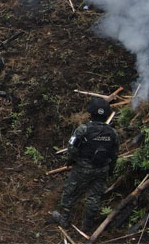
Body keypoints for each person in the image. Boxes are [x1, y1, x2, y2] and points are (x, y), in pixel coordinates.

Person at [52, 98, 118, 231]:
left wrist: (71, 161)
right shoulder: (112, 133)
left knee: (70, 191)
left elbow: (72, 148)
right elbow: (114, 154)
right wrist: (110, 170)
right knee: (95, 195)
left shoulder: (83, 129)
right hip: (102, 169)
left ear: (91, 113)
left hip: (83, 167)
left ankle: (64, 219)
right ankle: (88, 224)